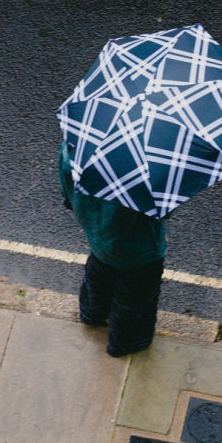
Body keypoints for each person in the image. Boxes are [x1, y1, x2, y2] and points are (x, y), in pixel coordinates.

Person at [57, 141, 167, 358]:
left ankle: (91, 314)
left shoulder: (72, 148)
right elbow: (161, 209)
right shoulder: (146, 168)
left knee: (98, 276)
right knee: (134, 298)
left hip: (97, 236)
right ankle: (124, 342)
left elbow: (66, 193)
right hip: (139, 250)